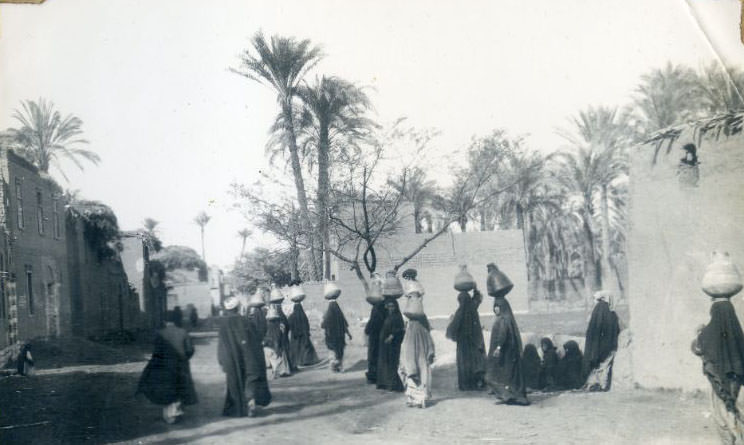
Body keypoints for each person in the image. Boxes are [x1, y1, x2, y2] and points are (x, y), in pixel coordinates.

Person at [137, 310, 198, 424]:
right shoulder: (183, 332)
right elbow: (190, 350)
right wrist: (185, 358)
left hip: (164, 366)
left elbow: (157, 351)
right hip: (180, 365)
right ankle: (176, 412)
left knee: (167, 389)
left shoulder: (160, 333)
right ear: (176, 321)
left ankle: (169, 415)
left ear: (165, 321)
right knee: (180, 388)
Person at [217, 295, 271, 417]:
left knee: (234, 382)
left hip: (231, 358)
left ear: (226, 309)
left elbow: (221, 345)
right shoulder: (245, 321)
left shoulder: (223, 324)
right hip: (248, 356)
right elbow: (255, 339)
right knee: (250, 379)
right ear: (237, 307)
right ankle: (250, 401)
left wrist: (221, 360)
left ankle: (238, 408)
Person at [485, 296, 529, 405]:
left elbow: (503, 335)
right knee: (507, 375)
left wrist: (498, 347)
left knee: (497, 374)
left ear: (503, 307)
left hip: (505, 353)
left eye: (498, 307)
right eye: (495, 307)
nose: (496, 309)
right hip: (507, 352)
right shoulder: (506, 318)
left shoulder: (504, 319)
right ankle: (508, 396)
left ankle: (509, 396)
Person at [398, 282, 435, 408]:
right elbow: (429, 339)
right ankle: (419, 398)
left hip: (413, 357)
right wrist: (430, 352)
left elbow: (406, 347)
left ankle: (417, 399)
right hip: (422, 358)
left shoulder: (411, 327)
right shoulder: (421, 326)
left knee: (412, 372)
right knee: (422, 373)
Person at [446, 285, 487, 391]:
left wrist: (451, 324)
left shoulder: (460, 312)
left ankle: (466, 385)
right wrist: (475, 289)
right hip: (474, 341)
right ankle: (476, 382)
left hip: (463, 344)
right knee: (474, 362)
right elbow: (478, 299)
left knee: (465, 363)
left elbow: (452, 328)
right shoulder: (472, 307)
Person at [583, 290, 621, 391]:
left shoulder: (599, 309)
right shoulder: (611, 312)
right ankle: (600, 384)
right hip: (609, 346)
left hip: (598, 346)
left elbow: (595, 329)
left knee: (599, 367)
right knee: (604, 366)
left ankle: (596, 384)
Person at [377, 272, 406, 392]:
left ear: (395, 307)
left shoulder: (397, 317)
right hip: (384, 344)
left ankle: (393, 385)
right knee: (384, 363)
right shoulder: (387, 316)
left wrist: (392, 336)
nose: (390, 308)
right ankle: (384, 384)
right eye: (389, 306)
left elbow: (401, 329)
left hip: (393, 344)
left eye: (392, 306)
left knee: (392, 363)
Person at [321, 282, 352, 372]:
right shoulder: (338, 309)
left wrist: (322, 324)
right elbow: (343, 323)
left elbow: (324, 324)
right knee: (340, 350)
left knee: (333, 351)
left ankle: (334, 366)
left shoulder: (329, 310)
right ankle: (339, 366)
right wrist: (348, 333)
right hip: (340, 335)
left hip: (331, 335)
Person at [287, 283, 320, 368]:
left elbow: (289, 325)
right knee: (305, 346)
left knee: (296, 348)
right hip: (303, 334)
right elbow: (306, 324)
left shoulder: (292, 316)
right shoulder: (303, 314)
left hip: (295, 335)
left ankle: (298, 361)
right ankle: (307, 360)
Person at [364, 273, 386, 384]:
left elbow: (373, 322)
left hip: (376, 335)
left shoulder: (376, 308)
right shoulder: (384, 305)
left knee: (373, 355)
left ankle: (374, 376)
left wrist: (367, 330)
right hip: (382, 333)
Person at [270, 286, 295, 373]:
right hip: (282, 334)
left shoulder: (275, 311)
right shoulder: (281, 312)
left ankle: (282, 369)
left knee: (280, 350)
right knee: (284, 349)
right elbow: (286, 324)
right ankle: (287, 367)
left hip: (278, 334)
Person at [264, 304, 292, 378]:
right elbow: (280, 337)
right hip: (277, 345)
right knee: (281, 357)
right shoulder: (280, 326)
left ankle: (276, 370)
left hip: (270, 346)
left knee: (274, 359)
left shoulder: (268, 326)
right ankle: (282, 371)